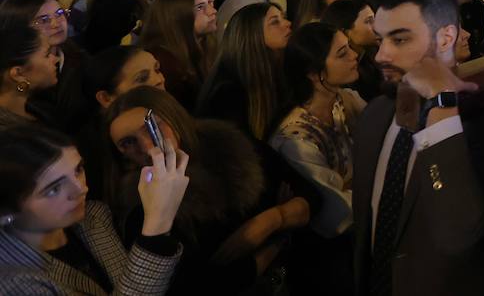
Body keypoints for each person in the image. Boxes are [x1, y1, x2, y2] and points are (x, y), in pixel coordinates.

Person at [355, 0, 484, 295]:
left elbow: (458, 231)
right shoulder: (375, 114)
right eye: (379, 40)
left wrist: (442, 108)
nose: (381, 55)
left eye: (399, 40)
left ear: (445, 38)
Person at [105, 86, 313, 296]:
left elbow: (309, 196)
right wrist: (277, 241)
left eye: (152, 129)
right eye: (128, 143)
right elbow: (205, 287)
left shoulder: (229, 145)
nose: (148, 147)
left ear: (172, 116)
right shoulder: (142, 213)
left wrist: (271, 220)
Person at [0, 123, 189, 295]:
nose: (81, 188)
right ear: (6, 212)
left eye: (78, 170)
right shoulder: (12, 283)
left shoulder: (94, 216)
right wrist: (157, 223)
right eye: (54, 189)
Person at [270, 23, 363, 290]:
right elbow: (336, 214)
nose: (354, 56)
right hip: (326, 258)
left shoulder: (344, 100)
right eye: (342, 53)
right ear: (313, 74)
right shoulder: (294, 138)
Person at [195, 2, 292, 142]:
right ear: (252, 34)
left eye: (283, 18)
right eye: (275, 22)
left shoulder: (276, 70)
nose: (288, 23)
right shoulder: (228, 93)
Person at [138, 0, 219, 109]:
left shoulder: (205, 43)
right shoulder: (162, 63)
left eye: (210, 3)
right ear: (177, 16)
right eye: (200, 7)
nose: (213, 11)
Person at [0, 23, 60, 132]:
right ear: (18, 74)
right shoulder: (10, 139)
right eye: (46, 55)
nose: (56, 59)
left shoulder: (39, 107)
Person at [320, 0, 382, 102]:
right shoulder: (342, 75)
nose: (377, 26)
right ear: (344, 32)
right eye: (368, 21)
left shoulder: (371, 55)